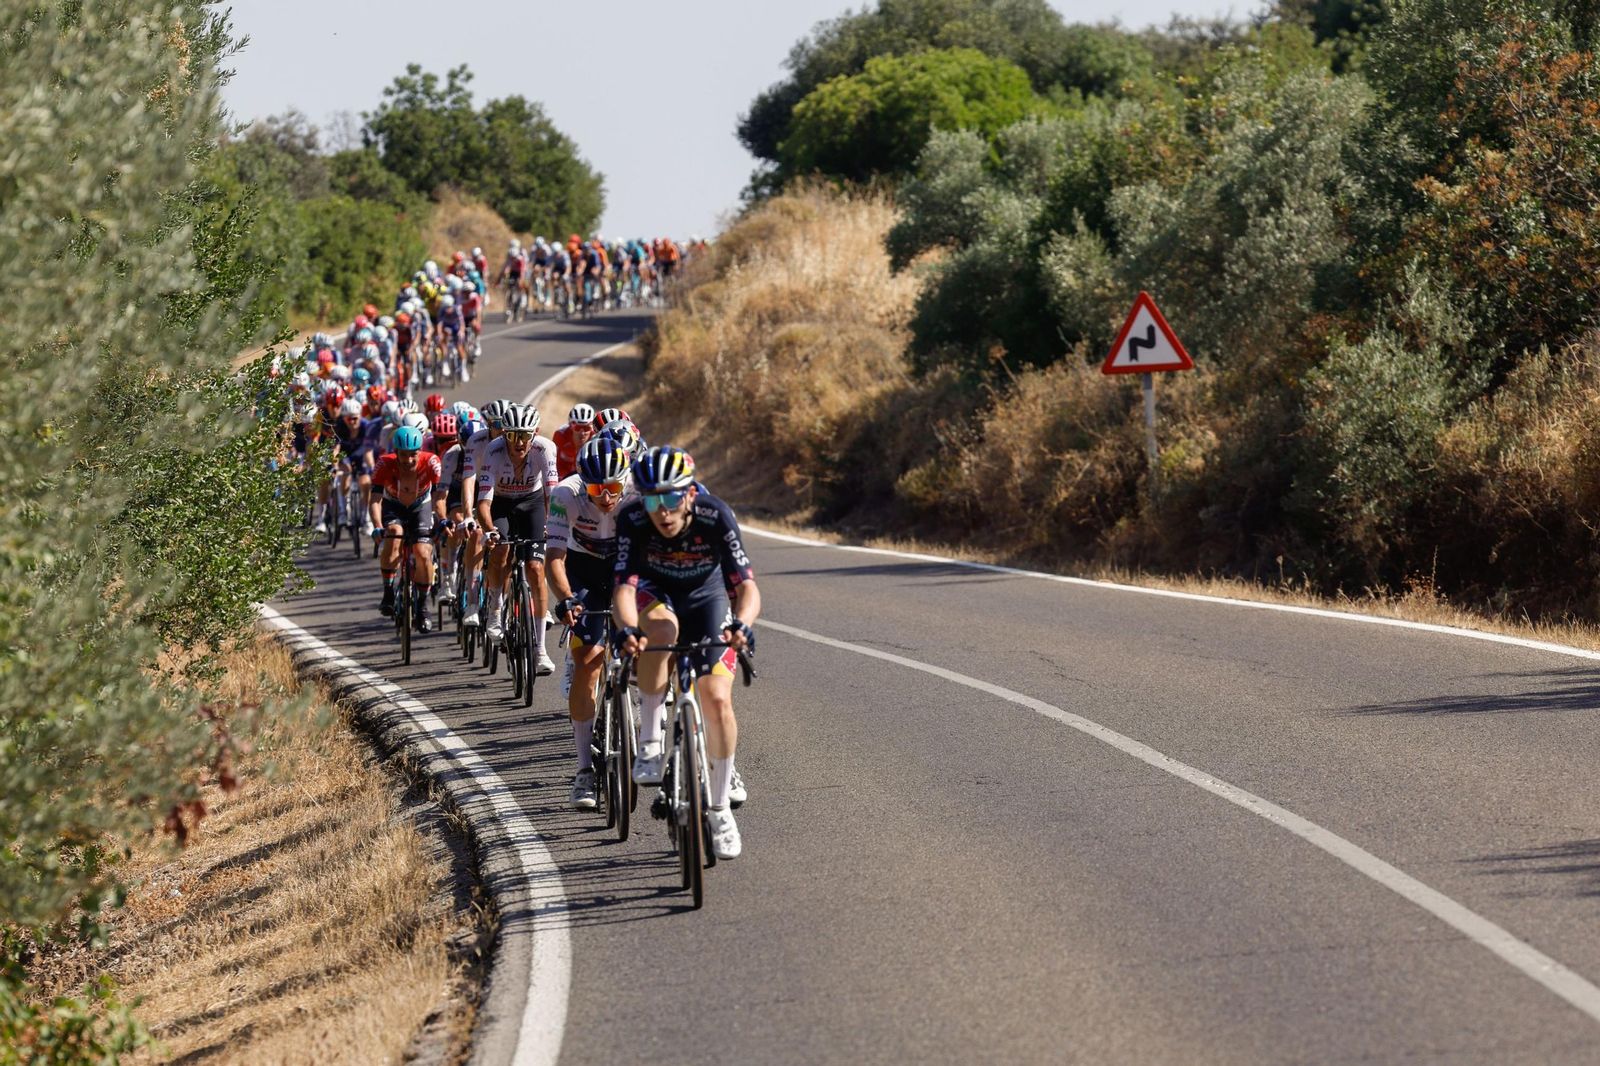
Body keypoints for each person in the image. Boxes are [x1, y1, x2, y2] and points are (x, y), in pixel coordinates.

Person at [611, 446, 760, 859]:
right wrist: (626, 629)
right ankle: (650, 742)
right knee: (661, 629)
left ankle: (719, 810)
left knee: (716, 699)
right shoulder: (632, 518)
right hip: (655, 592)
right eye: (652, 499)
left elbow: (746, 586)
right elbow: (623, 588)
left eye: (671, 497)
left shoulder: (715, 515)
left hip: (707, 597)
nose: (662, 510)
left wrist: (743, 624)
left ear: (691, 494)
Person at [547, 437, 636, 809]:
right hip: (582, 571)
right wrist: (566, 599)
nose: (607, 496)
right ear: (585, 483)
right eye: (598, 489)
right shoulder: (566, 494)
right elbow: (554, 557)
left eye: (614, 487)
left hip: (623, 569)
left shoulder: (636, 494)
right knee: (587, 661)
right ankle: (584, 770)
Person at [473, 402, 559, 675]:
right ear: (504, 435)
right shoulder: (493, 451)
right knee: (500, 552)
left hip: (532, 502)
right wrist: (489, 531)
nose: (518, 442)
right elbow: (483, 503)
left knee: (535, 568)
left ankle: (540, 650)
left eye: (524, 435)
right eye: (512, 435)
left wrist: (552, 525)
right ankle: (496, 610)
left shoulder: (545, 449)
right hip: (501, 504)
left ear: (534, 434)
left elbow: (551, 495)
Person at [552, 403, 596, 479]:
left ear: (592, 428)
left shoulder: (596, 438)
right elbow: (553, 464)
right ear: (570, 426)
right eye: (578, 428)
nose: (582, 433)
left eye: (586, 428)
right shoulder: (560, 436)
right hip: (564, 477)